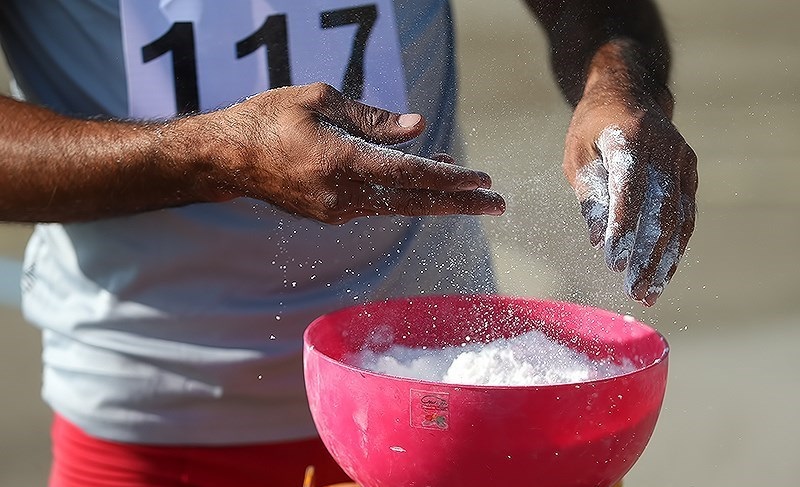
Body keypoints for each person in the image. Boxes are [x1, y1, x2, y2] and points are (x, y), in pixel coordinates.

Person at [0, 0, 697, 486]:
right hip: (158, 419)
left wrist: (617, 85)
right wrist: (214, 153)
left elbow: (600, 8)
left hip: (447, 409)